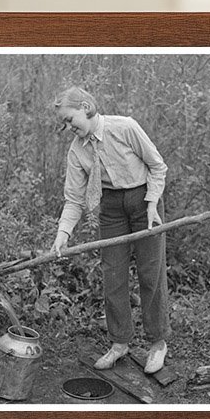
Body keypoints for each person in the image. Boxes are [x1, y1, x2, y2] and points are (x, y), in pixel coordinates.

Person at [51, 85, 170, 374]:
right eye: (63, 124)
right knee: (113, 274)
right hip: (112, 207)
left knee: (150, 272)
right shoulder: (77, 151)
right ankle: (120, 343)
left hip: (145, 201)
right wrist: (62, 235)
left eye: (70, 120)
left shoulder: (125, 127)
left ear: (86, 108)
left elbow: (158, 166)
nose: (68, 128)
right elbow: (74, 199)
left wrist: (152, 204)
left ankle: (157, 343)